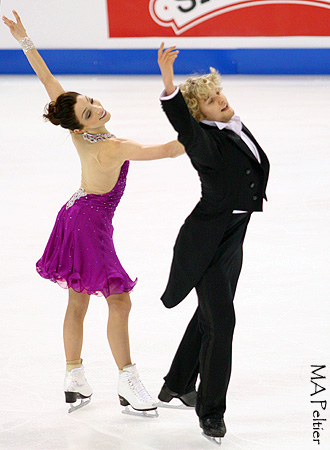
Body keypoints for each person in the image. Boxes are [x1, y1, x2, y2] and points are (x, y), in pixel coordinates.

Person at [2, 11, 184, 415]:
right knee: (119, 301)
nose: (97, 108)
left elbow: (50, 84)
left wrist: (24, 39)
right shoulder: (113, 145)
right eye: (88, 112)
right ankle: (128, 381)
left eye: (91, 102)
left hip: (73, 213)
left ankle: (74, 378)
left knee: (78, 300)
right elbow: (169, 150)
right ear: (81, 127)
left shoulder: (77, 130)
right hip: (87, 224)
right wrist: (203, 128)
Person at [157, 43, 270, 441]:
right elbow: (184, 129)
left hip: (232, 238)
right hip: (205, 243)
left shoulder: (231, 125)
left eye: (217, 93)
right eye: (207, 101)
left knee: (209, 314)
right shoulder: (202, 142)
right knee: (222, 323)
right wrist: (170, 86)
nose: (218, 100)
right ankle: (210, 411)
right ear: (197, 113)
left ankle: (176, 381)